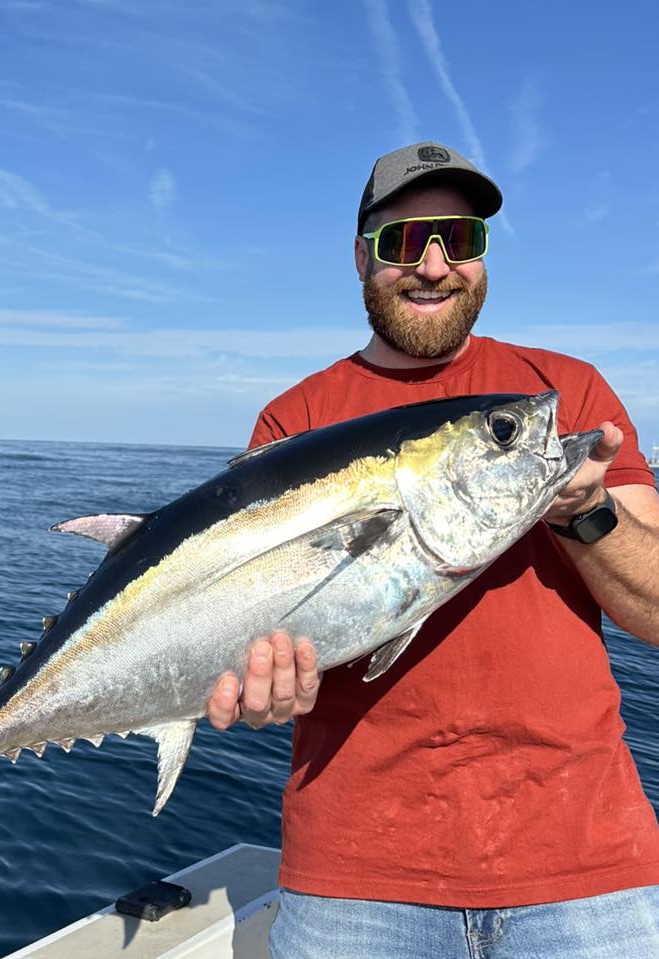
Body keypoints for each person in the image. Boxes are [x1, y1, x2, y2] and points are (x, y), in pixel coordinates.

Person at [206, 141, 659, 958]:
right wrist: (259, 687)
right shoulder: (292, 421)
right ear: (361, 257)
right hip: (354, 877)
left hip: (585, 868)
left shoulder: (562, 395)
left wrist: (584, 510)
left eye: (460, 238)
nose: (433, 265)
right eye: (403, 241)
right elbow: (255, 619)